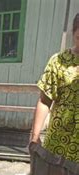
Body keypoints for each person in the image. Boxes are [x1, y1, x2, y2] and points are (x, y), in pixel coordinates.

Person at [29, 13, 79, 163]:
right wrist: (35, 136)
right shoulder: (58, 61)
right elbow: (45, 101)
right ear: (73, 33)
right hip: (59, 139)